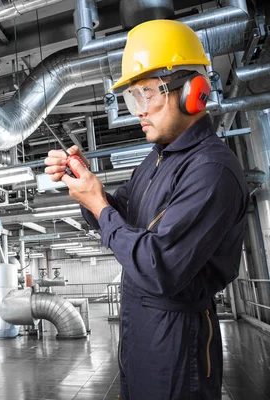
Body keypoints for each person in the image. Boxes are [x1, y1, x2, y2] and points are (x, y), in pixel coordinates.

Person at [44, 20, 248, 400]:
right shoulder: (157, 159)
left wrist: (98, 204)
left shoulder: (210, 171)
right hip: (140, 328)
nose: (138, 111)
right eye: (131, 98)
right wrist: (89, 186)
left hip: (178, 341)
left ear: (193, 91)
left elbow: (162, 267)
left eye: (147, 95)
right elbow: (118, 213)